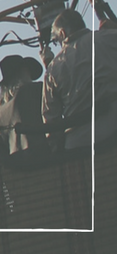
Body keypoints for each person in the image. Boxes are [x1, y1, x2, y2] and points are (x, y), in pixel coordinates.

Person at [41, 9, 117, 150]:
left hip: (80, 144)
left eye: (56, 41)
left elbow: (51, 120)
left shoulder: (53, 68)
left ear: (62, 33)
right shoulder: (109, 37)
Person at [0, 54, 46, 157]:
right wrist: (49, 65)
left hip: (17, 163)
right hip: (44, 157)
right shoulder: (34, 91)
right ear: (24, 72)